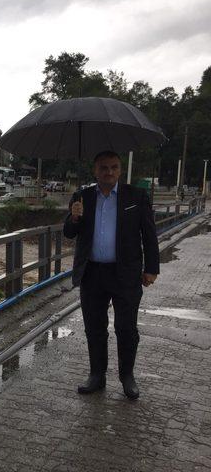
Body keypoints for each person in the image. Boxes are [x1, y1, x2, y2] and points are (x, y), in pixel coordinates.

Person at [63, 150, 159, 400]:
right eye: (103, 168)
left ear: (120, 170)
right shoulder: (82, 196)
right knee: (94, 328)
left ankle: (127, 376)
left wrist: (151, 268)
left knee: (126, 328)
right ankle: (97, 375)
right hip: (92, 273)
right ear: (95, 171)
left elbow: (148, 234)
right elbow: (69, 233)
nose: (109, 172)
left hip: (125, 273)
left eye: (114, 167)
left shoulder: (136, 196)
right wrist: (74, 217)